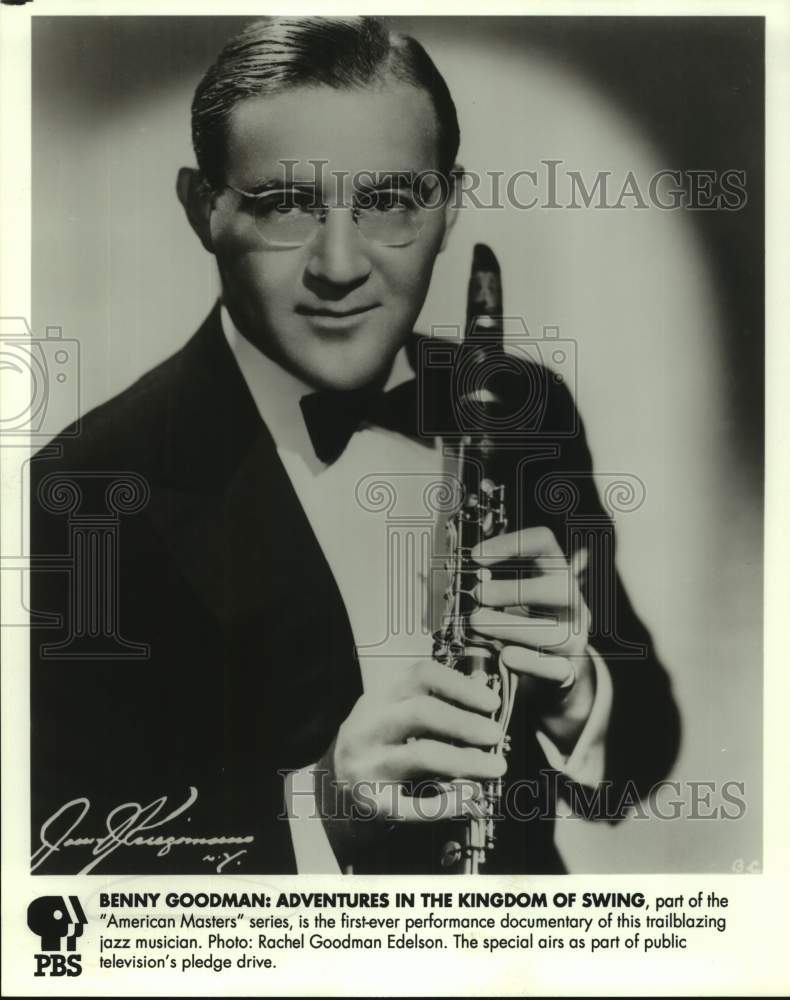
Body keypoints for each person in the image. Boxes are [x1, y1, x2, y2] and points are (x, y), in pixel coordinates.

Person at [29, 16, 679, 876]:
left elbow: (637, 762)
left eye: (389, 204)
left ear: (448, 210)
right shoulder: (86, 487)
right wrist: (320, 813)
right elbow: (59, 866)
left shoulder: (524, 413)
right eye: (287, 204)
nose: (340, 266)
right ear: (203, 209)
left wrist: (574, 691)